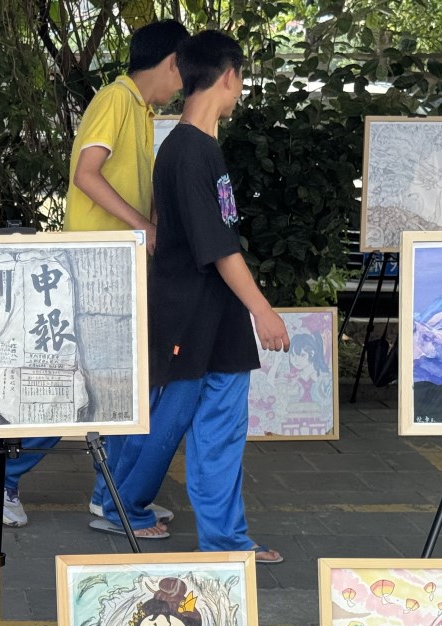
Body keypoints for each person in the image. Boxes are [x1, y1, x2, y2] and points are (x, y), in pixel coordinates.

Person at [0, 19, 188, 528]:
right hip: (94, 267)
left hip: (119, 265)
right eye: (185, 71)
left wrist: (151, 226)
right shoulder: (116, 99)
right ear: (173, 62)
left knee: (116, 388)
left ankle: (113, 495)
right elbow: (85, 174)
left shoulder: (141, 111)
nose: (183, 85)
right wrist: (143, 227)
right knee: (80, 385)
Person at [92, 30, 288, 562]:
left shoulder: (193, 147)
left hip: (214, 317)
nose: (239, 90)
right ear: (229, 76)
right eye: (240, 80)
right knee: (170, 425)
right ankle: (124, 506)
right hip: (190, 315)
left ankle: (223, 540)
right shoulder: (188, 151)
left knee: (217, 432)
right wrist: (263, 310)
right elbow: (219, 247)